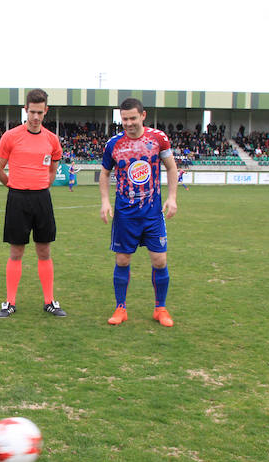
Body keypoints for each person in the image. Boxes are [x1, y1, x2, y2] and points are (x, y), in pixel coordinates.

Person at [99, 97, 179, 327]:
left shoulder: (158, 139)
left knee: (159, 260)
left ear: (143, 116)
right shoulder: (114, 144)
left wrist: (172, 197)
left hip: (152, 213)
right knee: (122, 260)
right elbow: (104, 174)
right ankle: (121, 308)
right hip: (125, 213)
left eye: (133, 118)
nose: (128, 123)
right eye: (124, 119)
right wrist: (105, 202)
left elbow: (171, 167)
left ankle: (160, 309)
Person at [0, 88, 66, 319]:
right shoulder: (11, 136)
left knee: (44, 250)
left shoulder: (52, 140)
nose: (35, 117)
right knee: (16, 251)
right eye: (31, 112)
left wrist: (41, 185)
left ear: (46, 111)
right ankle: (10, 302)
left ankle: (49, 302)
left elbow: (53, 169)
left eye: (39, 112)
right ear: (25, 110)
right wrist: (14, 186)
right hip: (17, 198)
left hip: (42, 198)